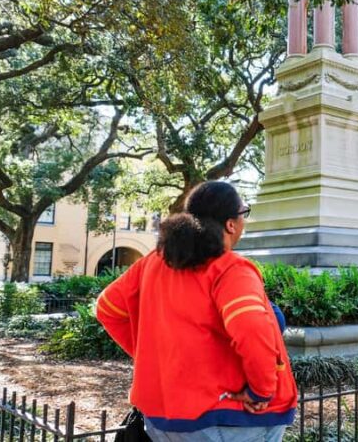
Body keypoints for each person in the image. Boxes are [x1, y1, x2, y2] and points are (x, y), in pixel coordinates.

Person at [96, 181, 297, 442]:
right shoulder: (230, 269)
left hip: (163, 419)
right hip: (229, 418)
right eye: (243, 213)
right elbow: (251, 327)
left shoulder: (152, 263)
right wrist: (261, 390)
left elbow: (107, 309)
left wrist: (158, 359)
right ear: (230, 224)